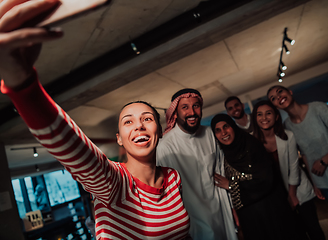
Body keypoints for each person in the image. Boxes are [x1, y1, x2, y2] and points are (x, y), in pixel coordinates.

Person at [0, 0, 190, 239]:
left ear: (159, 131)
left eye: (147, 119)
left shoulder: (173, 178)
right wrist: (22, 83)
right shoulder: (113, 183)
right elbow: (74, 149)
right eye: (128, 122)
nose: (139, 125)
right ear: (119, 139)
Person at [267, 85, 328, 239]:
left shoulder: (318, 108)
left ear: (290, 91)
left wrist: (324, 161)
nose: (278, 97)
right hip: (327, 185)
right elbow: (304, 154)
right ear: (275, 105)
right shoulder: (287, 127)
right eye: (273, 98)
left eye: (280, 92)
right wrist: (315, 183)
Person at [156, 89, 237, 240]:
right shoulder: (165, 147)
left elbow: (221, 173)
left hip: (220, 212)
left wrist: (232, 208)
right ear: (175, 112)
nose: (192, 112)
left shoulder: (211, 134)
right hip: (191, 221)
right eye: (185, 107)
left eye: (196, 106)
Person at [211, 113, 303, 240]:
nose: (223, 132)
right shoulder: (223, 156)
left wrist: (231, 185)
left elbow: (266, 179)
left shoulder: (251, 145)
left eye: (226, 127)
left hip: (271, 209)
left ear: (233, 126)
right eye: (218, 130)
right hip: (249, 216)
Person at [251, 100, 325, 240]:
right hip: (276, 197)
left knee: (314, 230)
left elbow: (293, 167)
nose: (264, 118)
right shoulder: (252, 142)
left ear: (276, 116)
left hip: (298, 190)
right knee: (295, 233)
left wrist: (292, 195)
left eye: (268, 113)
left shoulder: (287, 135)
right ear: (255, 118)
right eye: (259, 114)